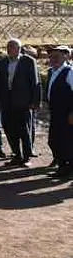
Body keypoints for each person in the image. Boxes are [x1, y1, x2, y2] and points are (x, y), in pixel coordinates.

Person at [0, 39, 41, 166]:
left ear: (19, 48)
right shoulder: (1, 63)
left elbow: (35, 82)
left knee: (24, 130)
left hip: (23, 102)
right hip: (6, 102)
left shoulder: (28, 61)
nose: (10, 49)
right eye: (8, 46)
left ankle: (26, 157)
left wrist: (35, 101)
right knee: (9, 128)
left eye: (13, 46)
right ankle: (16, 154)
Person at [45, 46, 73, 178]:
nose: (53, 59)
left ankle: (68, 168)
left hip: (67, 114)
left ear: (65, 57)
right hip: (56, 112)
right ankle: (62, 166)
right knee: (54, 140)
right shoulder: (52, 72)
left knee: (67, 141)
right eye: (52, 56)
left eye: (57, 56)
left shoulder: (69, 72)